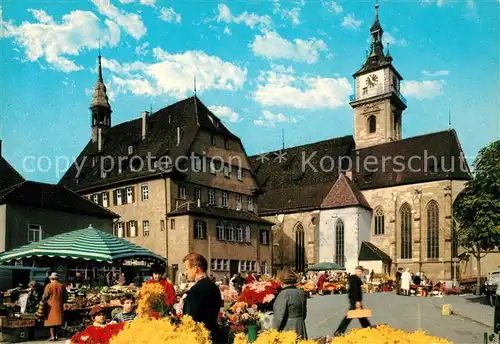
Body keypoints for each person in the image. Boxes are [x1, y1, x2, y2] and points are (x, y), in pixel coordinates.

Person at [182, 252, 224, 343]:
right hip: (212, 336)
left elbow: (189, 319)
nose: (185, 273)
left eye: (187, 269)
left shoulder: (195, 291)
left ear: (195, 269)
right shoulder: (214, 287)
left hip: (198, 338)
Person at [334, 266, 371, 336]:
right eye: (359, 271)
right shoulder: (354, 279)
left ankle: (367, 327)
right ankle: (339, 331)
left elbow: (359, 288)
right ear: (356, 271)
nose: (360, 273)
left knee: (361, 315)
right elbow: (354, 291)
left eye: (361, 271)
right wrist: (357, 301)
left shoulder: (356, 279)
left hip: (356, 300)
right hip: (354, 300)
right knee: (350, 316)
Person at [272, 267, 308, 339]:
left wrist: (273, 333)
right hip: (300, 326)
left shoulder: (284, 294)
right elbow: (304, 313)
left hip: (288, 327)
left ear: (281, 281)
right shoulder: (301, 292)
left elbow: (279, 317)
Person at [43, 272, 68, 341]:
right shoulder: (62, 286)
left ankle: (52, 336)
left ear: (51, 279)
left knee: (51, 322)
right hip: (59, 305)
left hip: (50, 306)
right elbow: (66, 296)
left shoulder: (49, 286)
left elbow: (45, 296)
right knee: (57, 321)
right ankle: (56, 335)